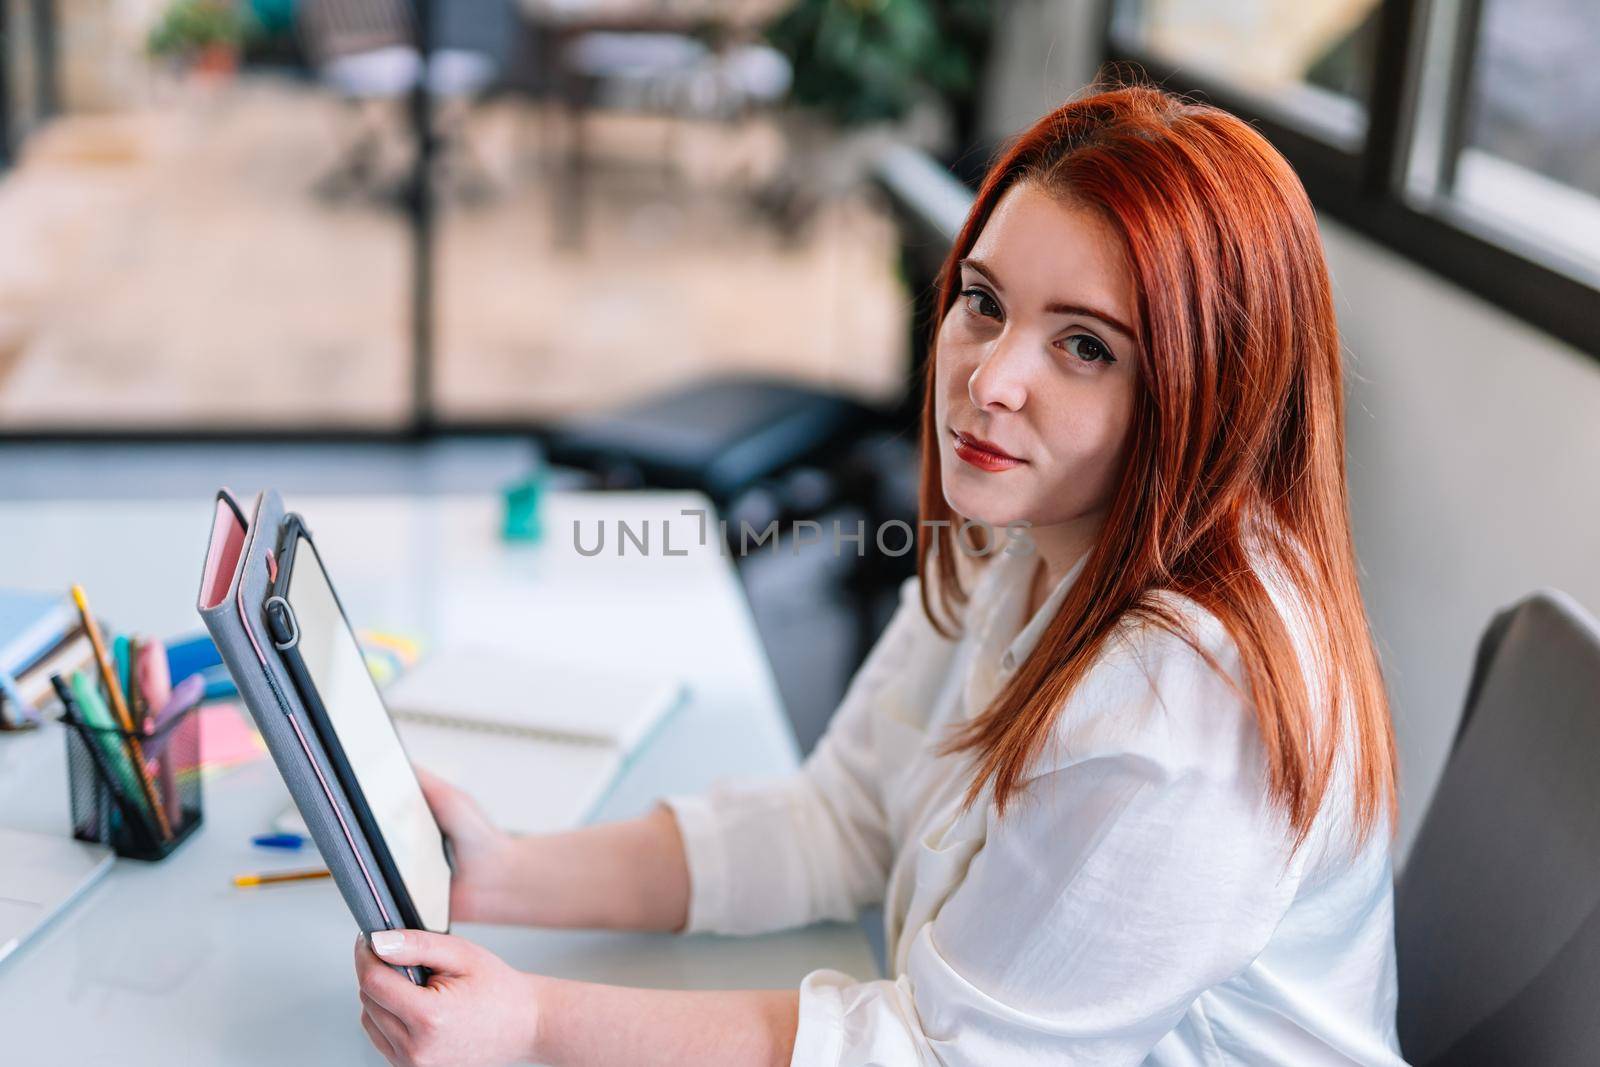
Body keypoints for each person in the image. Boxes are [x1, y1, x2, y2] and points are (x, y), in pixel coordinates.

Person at [352, 83, 1407, 1067]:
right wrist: (502, 870)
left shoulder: (1186, 709)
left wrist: (533, 1019)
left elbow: (943, 1053)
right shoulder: (1026, 525)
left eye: (1084, 345)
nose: (988, 379)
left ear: (1204, 392)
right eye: (983, 302)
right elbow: (844, 815)